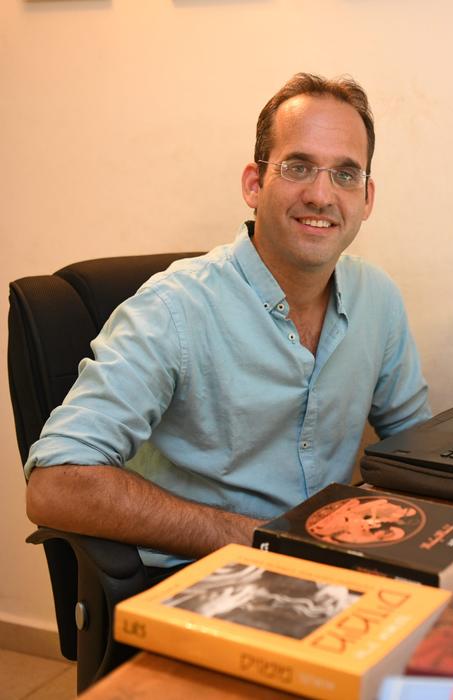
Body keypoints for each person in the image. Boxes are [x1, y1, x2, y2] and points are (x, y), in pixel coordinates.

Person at [24, 73, 431, 570]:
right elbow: (55, 483)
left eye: (345, 174)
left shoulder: (378, 300)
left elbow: (416, 450)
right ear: (254, 185)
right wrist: (259, 540)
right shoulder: (173, 309)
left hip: (325, 564)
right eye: (299, 166)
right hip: (200, 574)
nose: (322, 195)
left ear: (366, 198)